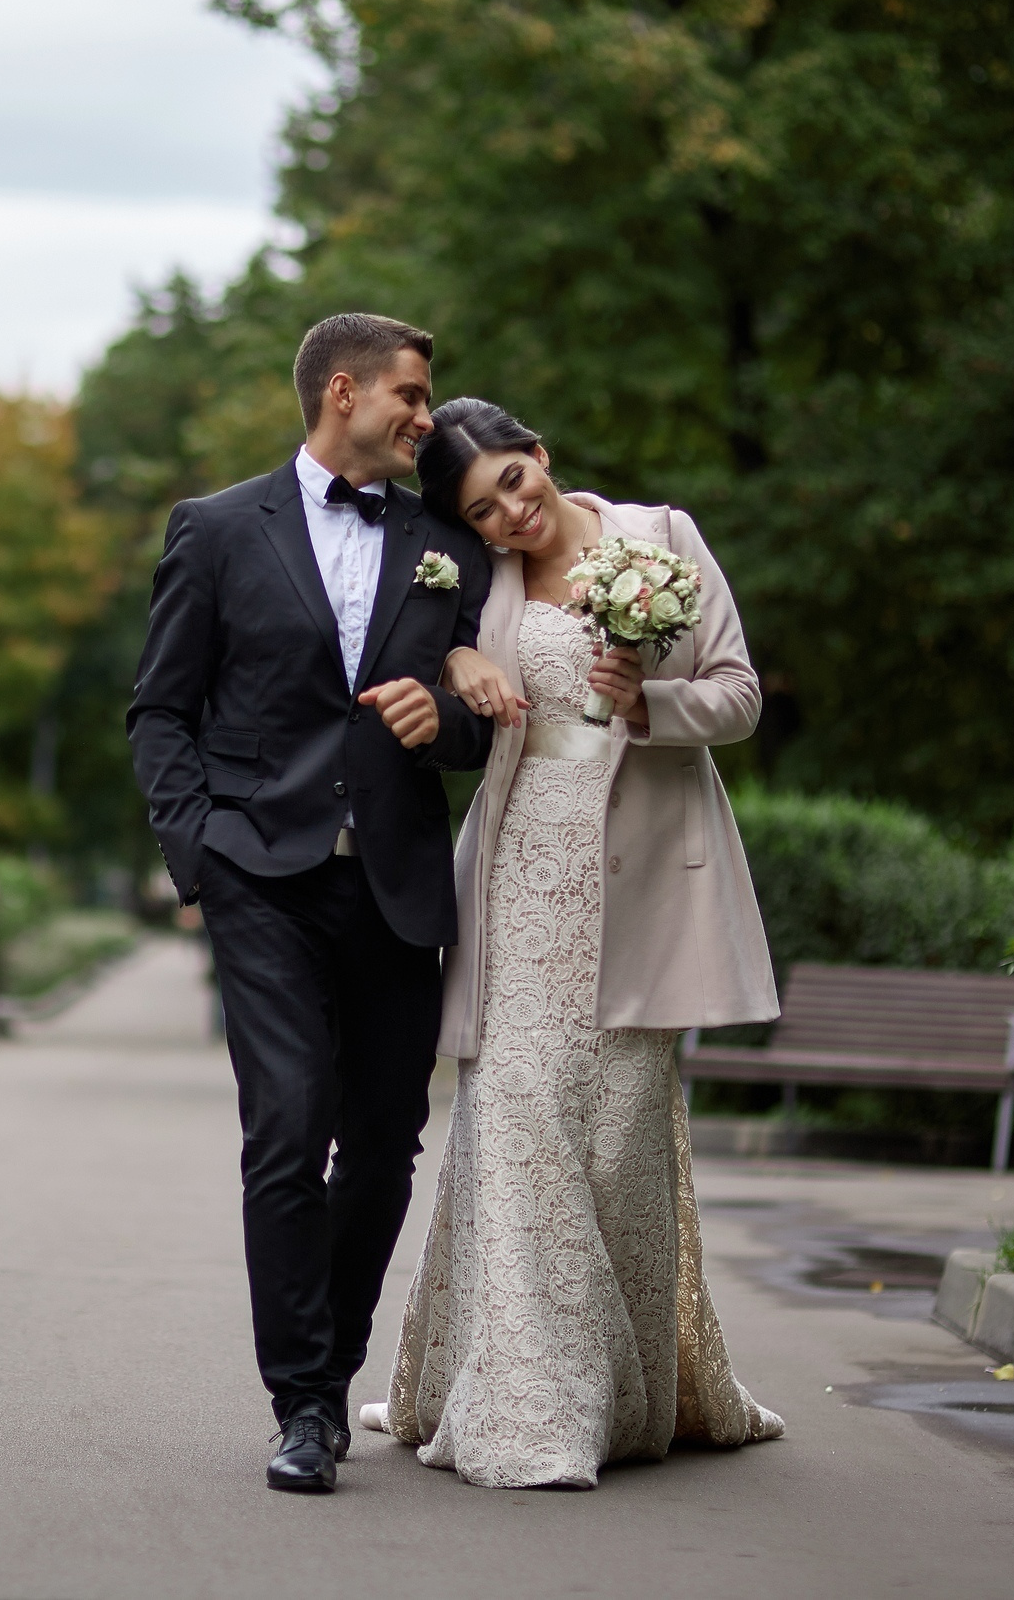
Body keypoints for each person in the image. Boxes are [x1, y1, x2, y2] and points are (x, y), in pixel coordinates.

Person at [359, 397, 786, 1490]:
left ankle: (626, 1393)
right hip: (519, 874)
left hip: (645, 876)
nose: (509, 513)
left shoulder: (664, 538)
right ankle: (527, 1403)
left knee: (618, 1140)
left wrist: (651, 708)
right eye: (481, 510)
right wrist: (459, 671)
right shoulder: (469, 580)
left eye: (511, 480)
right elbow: (438, 670)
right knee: (512, 1112)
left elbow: (739, 698)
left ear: (538, 455)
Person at [128, 315, 497, 1493]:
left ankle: (332, 1371)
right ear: (344, 392)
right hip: (261, 878)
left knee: (384, 1144)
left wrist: (449, 722)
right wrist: (200, 854)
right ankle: (300, 1400)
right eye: (413, 395)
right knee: (287, 1123)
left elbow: (491, 705)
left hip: (393, 884)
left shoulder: (446, 540)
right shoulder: (217, 529)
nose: (426, 418)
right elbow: (160, 711)